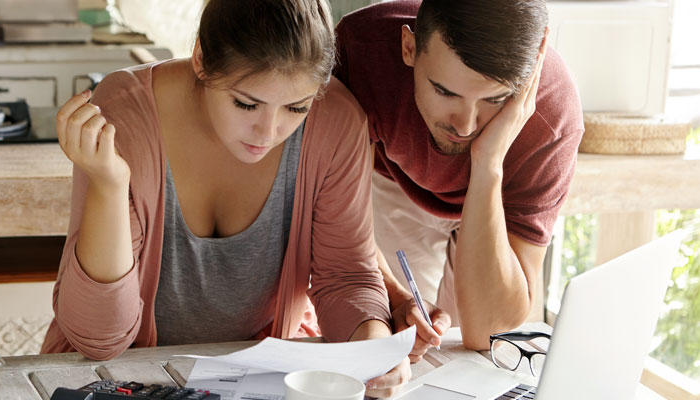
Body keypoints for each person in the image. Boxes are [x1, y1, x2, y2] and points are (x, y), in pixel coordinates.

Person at [40, 0, 409, 396]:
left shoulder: (337, 120)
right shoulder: (124, 110)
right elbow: (99, 339)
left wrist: (373, 349)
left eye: (296, 107)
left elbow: (346, 277)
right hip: (117, 379)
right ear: (201, 58)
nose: (268, 131)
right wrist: (109, 185)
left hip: (257, 376)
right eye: (246, 103)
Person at [334, 0, 584, 355]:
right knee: (404, 344)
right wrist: (394, 295)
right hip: (395, 179)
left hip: (496, 198)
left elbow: (489, 331)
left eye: (495, 99)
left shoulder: (553, 115)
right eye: (445, 91)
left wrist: (488, 161)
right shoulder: (360, 50)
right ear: (409, 48)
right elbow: (329, 217)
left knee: (483, 355)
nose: (465, 126)